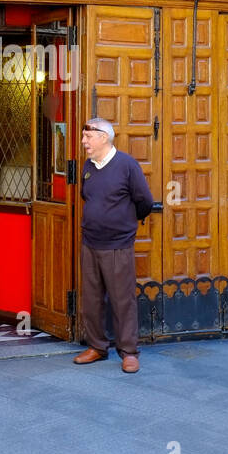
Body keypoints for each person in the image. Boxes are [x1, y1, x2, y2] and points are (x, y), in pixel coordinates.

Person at [74, 117, 155, 374]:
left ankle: (129, 352)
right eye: (84, 136)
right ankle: (97, 347)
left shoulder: (127, 165)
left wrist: (125, 224)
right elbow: (86, 195)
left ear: (104, 137)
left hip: (118, 244)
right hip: (90, 242)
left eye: (88, 136)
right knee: (91, 298)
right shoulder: (88, 166)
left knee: (122, 300)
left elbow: (144, 201)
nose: (84, 141)